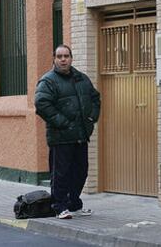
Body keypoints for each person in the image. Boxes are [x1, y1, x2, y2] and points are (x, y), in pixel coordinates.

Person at [35, 44, 100, 219]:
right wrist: (63, 123)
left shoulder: (81, 78)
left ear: (71, 58)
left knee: (81, 171)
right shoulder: (48, 80)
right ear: (54, 59)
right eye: (59, 56)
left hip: (80, 135)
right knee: (61, 173)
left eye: (66, 56)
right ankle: (59, 206)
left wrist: (91, 118)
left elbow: (95, 98)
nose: (63, 59)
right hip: (61, 137)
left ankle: (74, 204)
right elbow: (42, 104)